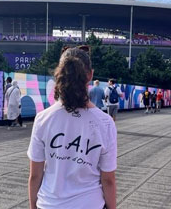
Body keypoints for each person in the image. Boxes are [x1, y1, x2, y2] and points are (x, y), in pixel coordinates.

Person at [27, 46, 117, 209]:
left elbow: (35, 175)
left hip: (49, 204)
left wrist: (33, 206)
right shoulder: (105, 123)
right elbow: (108, 180)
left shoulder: (43, 119)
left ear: (59, 75)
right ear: (90, 75)